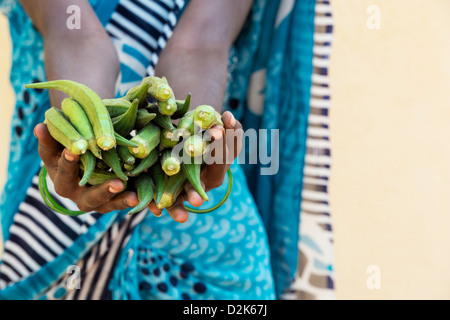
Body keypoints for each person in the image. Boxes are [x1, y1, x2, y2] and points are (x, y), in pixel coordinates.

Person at [0, 0, 334, 300]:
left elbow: (201, 42)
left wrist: (189, 138)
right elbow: (73, 30)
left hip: (206, 241)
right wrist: (90, 144)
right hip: (56, 211)